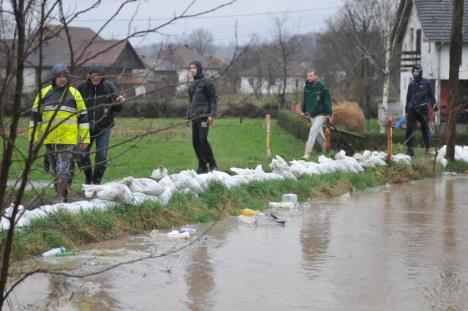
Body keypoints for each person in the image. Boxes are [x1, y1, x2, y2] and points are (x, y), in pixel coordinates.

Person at [29, 64, 90, 202]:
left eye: (65, 76)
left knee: (63, 167)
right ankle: (62, 193)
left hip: (68, 139)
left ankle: (60, 196)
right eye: (59, 77)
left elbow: (84, 117)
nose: (62, 79)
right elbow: (35, 117)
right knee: (55, 168)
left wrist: (85, 138)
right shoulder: (44, 93)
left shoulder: (74, 94)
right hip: (49, 138)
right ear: (54, 78)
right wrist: (34, 136)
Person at [77, 64, 125, 184]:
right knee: (81, 155)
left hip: (104, 127)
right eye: (93, 75)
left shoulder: (109, 87)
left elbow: (117, 108)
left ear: (102, 77)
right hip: (85, 127)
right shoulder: (81, 87)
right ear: (89, 76)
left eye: (98, 75)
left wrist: (119, 102)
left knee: (102, 156)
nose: (95, 78)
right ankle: (88, 176)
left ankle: (97, 181)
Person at [186, 60, 218, 174]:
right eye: (190, 68)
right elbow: (191, 102)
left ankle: (213, 164)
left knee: (202, 140)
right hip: (195, 117)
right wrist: (188, 115)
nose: (192, 70)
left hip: (204, 117)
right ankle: (202, 165)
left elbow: (213, 100)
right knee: (195, 142)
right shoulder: (192, 84)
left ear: (199, 68)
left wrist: (211, 115)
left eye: (194, 68)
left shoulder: (207, 82)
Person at [405, 64, 438, 157]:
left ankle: (428, 148)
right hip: (412, 109)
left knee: (424, 129)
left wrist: (435, 107)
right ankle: (410, 150)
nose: (415, 73)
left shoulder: (427, 83)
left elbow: (432, 97)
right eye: (413, 72)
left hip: (423, 109)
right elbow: (408, 99)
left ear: (420, 72)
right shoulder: (411, 84)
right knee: (409, 129)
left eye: (416, 72)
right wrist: (406, 111)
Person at [301, 69, 332, 160]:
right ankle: (327, 150)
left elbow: (327, 101)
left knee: (312, 131)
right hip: (312, 113)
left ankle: (307, 154)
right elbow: (305, 99)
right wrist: (303, 110)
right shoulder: (307, 87)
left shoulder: (322, 87)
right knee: (318, 134)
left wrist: (329, 113)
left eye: (311, 75)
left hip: (321, 113)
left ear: (316, 76)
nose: (309, 77)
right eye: (308, 76)